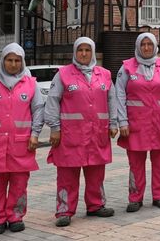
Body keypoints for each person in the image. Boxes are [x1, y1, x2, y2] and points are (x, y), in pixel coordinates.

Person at [45, 37, 117, 227]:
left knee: (96, 172)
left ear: (93, 52)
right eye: (80, 50)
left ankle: (96, 205)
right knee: (67, 175)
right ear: (75, 53)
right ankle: (64, 211)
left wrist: (114, 123)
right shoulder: (63, 75)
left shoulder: (105, 74)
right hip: (70, 135)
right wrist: (54, 128)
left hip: (97, 133)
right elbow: (52, 101)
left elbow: (112, 100)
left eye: (87, 50)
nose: (84, 53)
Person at [116, 33, 160, 212]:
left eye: (149, 44)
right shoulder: (127, 68)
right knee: (136, 164)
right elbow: (119, 95)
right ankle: (135, 198)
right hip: (136, 125)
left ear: (155, 46)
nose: (146, 48)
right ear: (138, 46)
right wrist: (122, 121)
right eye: (143, 44)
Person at [0, 43, 44, 235]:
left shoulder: (31, 84)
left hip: (22, 144)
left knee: (19, 183)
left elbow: (38, 110)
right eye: (9, 60)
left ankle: (15, 216)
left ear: (22, 62)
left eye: (17, 60)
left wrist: (35, 134)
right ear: (3, 61)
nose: (13, 64)